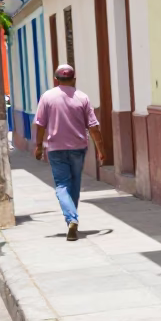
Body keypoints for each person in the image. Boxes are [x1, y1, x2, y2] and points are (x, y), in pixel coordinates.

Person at [33, 65, 105, 241]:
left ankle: (71, 219)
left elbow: (40, 124)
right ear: (74, 79)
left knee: (62, 185)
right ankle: (72, 218)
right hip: (78, 148)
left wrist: (38, 146)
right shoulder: (82, 97)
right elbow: (94, 127)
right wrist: (101, 149)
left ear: (56, 80)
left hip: (56, 149)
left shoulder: (47, 97)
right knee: (75, 184)